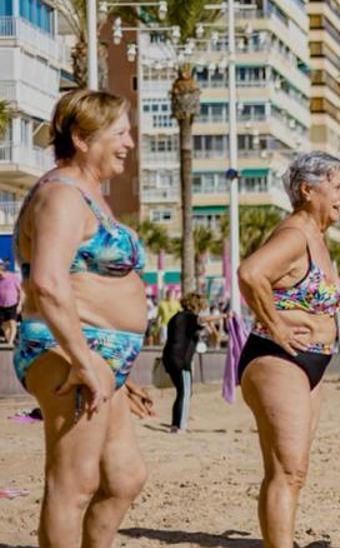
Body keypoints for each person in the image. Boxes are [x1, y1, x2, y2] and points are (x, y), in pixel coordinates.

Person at [13, 89, 148, 547]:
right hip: (67, 350)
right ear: (82, 138)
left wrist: (119, 373)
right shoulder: (62, 196)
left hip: (98, 354)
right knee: (73, 484)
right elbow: (49, 283)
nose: (130, 143)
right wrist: (83, 358)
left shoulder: (88, 194)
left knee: (124, 478)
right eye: (121, 133)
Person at [237, 152, 340, 547]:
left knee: (291, 471)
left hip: (309, 363)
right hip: (278, 359)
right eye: (337, 187)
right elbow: (251, 274)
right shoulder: (295, 234)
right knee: (288, 470)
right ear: (307, 189)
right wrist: (277, 325)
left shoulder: (315, 237)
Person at [160, 292, 207, 433]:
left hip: (169, 358)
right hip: (181, 361)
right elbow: (202, 320)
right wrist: (223, 316)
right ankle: (181, 425)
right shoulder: (189, 318)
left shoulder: (175, 317)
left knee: (180, 392)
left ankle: (175, 424)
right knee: (186, 392)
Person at [0, 260, 23, 344]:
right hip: (2, 305)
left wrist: (19, 304)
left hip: (12, 304)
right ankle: (9, 340)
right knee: (4, 325)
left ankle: (10, 342)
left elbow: (20, 291)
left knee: (12, 323)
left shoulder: (12, 277)